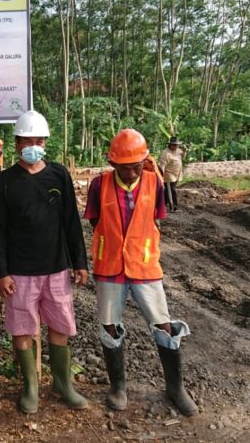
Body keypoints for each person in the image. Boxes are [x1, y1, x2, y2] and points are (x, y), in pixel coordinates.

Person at [84, 129, 198, 417]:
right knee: (109, 325)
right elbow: (95, 220)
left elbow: (157, 219)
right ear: (113, 164)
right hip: (110, 265)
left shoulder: (154, 183)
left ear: (145, 161)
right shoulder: (99, 185)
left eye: (137, 165)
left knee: (163, 324)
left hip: (145, 266)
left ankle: (175, 388)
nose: (132, 171)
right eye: (125, 166)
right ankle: (118, 387)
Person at [0, 110, 89, 414]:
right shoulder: (4, 182)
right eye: (26, 140)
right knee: (22, 329)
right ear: (17, 143)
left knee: (60, 324)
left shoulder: (59, 175)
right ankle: (30, 388)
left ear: (46, 141)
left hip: (56, 267)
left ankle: (62, 383)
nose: (33, 145)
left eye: (38, 139)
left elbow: (71, 221)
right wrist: (1, 273)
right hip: (20, 272)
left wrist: (80, 261)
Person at [158, 136, 187, 212]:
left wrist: (185, 151)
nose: (176, 146)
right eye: (174, 145)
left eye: (177, 145)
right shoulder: (166, 153)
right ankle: (173, 207)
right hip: (169, 175)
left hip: (176, 174)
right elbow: (162, 165)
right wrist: (161, 176)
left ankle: (161, 205)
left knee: (167, 192)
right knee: (172, 191)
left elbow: (182, 157)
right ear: (170, 145)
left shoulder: (178, 151)